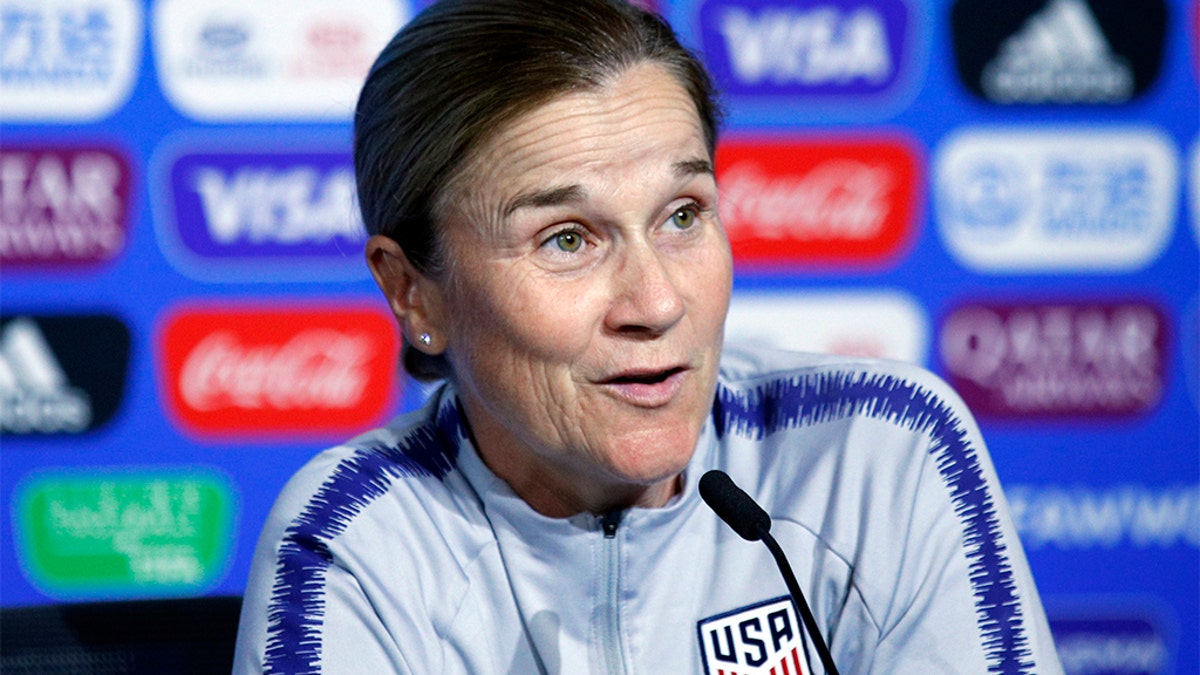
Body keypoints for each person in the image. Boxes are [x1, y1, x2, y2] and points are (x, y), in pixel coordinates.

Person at [232, 0, 1064, 673]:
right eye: (567, 238)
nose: (657, 300)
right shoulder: (355, 540)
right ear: (413, 289)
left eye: (682, 215)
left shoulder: (879, 449)